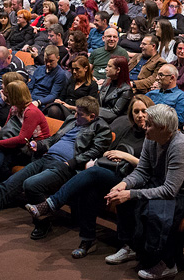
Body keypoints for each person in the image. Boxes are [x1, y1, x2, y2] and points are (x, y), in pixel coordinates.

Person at [0, 96, 110, 237]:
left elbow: (94, 151)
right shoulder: (72, 121)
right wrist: (38, 145)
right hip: (45, 158)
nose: (75, 115)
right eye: (76, 112)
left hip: (64, 167)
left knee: (31, 185)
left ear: (92, 116)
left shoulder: (101, 129)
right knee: (7, 186)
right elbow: (53, 139)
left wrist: (71, 162)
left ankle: (43, 223)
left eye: (80, 114)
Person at [32, 96, 152, 258]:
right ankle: (87, 240)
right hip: (117, 174)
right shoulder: (128, 130)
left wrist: (126, 157)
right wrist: (112, 155)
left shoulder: (153, 134)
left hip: (137, 180)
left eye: (144, 111)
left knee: (93, 173)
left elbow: (151, 168)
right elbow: (109, 151)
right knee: (89, 189)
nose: (140, 115)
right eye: (136, 111)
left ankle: (52, 203)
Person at [103, 104, 184, 280]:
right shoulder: (151, 138)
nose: (144, 127)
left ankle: (167, 263)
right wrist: (124, 185)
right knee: (125, 198)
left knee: (155, 209)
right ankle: (132, 246)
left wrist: (130, 194)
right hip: (166, 185)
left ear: (163, 128)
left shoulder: (180, 146)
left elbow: (170, 190)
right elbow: (142, 171)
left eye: (149, 124)